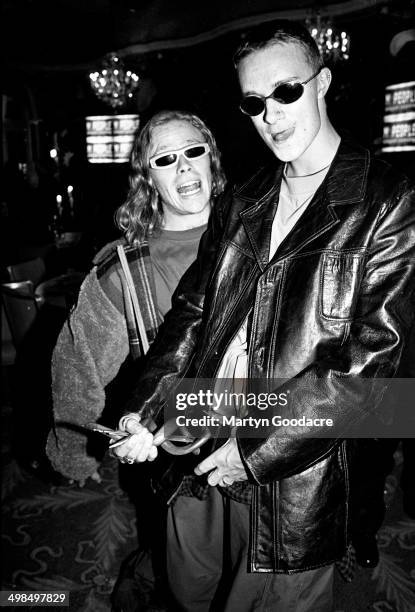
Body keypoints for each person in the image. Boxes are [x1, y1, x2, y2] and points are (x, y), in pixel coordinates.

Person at [110, 21, 415, 612]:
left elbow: (372, 362)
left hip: (300, 462)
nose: (271, 114)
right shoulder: (242, 200)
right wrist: (147, 408)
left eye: (287, 92)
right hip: (207, 417)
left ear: (323, 82)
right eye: (254, 102)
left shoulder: (389, 197)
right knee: (193, 585)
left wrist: (255, 448)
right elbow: (193, 313)